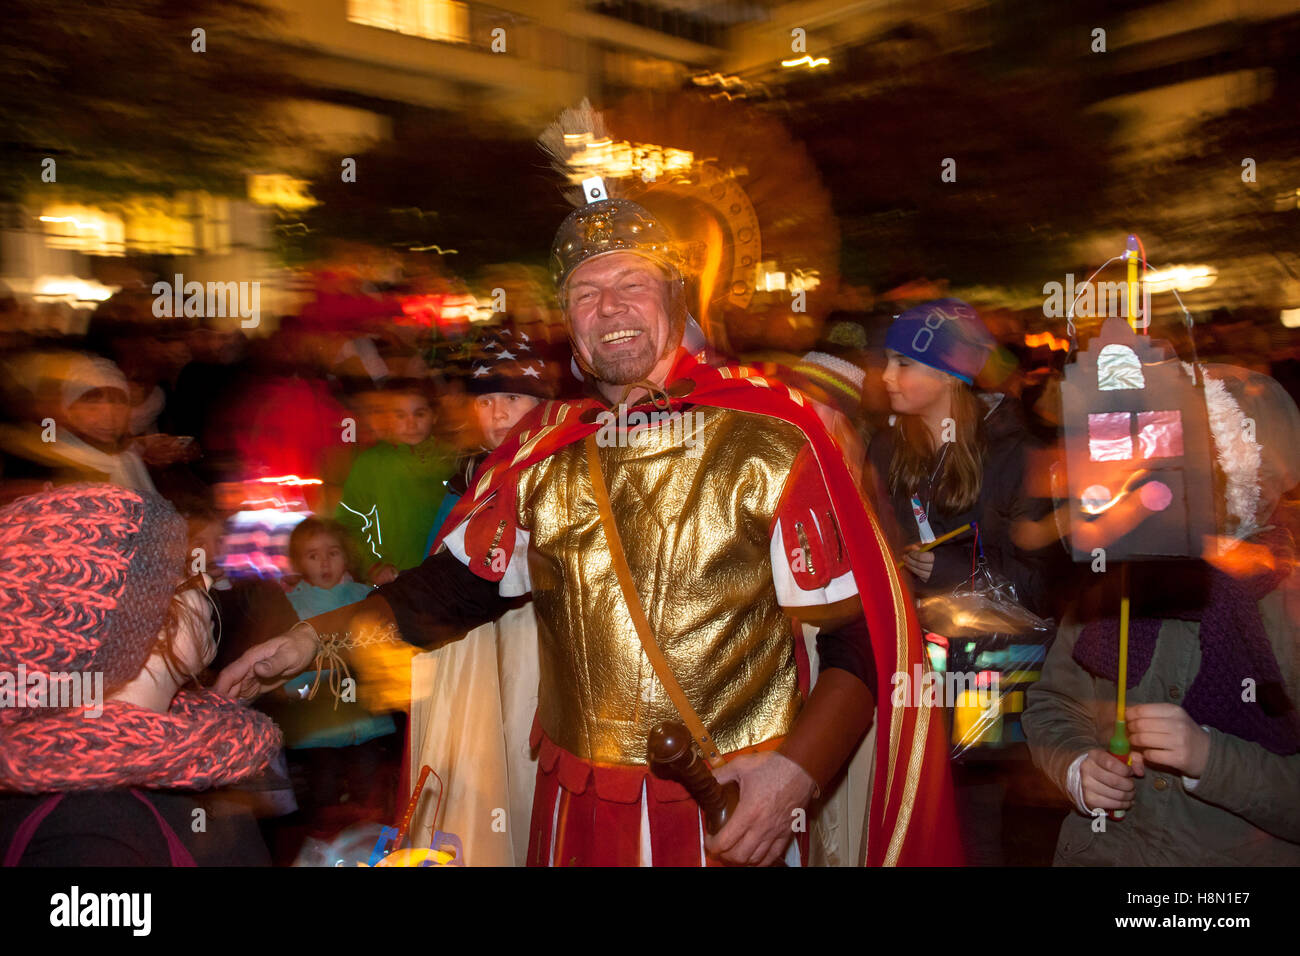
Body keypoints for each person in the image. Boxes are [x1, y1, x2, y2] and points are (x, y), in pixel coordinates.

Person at [219, 189, 960, 867]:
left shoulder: (772, 435)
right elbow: (450, 592)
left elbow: (861, 632)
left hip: (730, 808)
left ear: (675, 297)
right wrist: (312, 639)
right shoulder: (544, 450)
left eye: (631, 284)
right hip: (573, 813)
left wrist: (793, 777)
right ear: (568, 323)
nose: (610, 308)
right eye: (586, 292)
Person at [1023, 364, 1300, 865]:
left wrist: (1209, 759)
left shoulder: (1288, 604)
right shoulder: (1118, 575)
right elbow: (1053, 701)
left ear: (1241, 475)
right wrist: (1077, 767)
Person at [0, 483, 279, 865]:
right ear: (149, 625)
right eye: (184, 574)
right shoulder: (83, 834)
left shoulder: (182, 744)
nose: (209, 582)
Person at [410, 324, 555, 865]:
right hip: (477, 640)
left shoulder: (554, 470)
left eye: (512, 398)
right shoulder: (468, 477)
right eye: (485, 400)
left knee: (520, 756)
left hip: (532, 639)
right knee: (484, 751)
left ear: (541, 403)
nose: (495, 414)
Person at [867, 299, 1056, 618]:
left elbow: (1040, 585)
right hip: (906, 643)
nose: (886, 376)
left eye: (903, 363)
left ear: (950, 375)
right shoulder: (885, 449)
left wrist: (959, 571)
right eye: (886, 361)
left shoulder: (1013, 456)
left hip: (990, 658)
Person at [335, 380, 455, 585]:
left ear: (434, 416)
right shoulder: (372, 463)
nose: (411, 424)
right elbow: (350, 521)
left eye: (419, 414)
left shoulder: (452, 459)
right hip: (393, 578)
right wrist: (373, 565)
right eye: (400, 415)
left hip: (446, 577)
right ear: (389, 419)